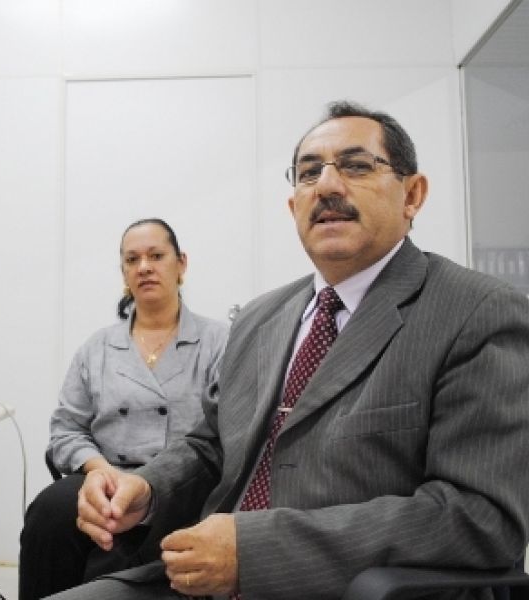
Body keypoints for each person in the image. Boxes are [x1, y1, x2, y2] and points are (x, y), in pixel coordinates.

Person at [48, 101, 529, 600]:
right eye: (308, 173)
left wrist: (256, 552)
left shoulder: (476, 313)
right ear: (293, 206)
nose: (327, 186)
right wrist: (148, 489)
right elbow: (213, 447)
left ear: (412, 194)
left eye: (356, 166)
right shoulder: (259, 319)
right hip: (201, 581)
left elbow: (481, 516)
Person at [18, 218, 228, 600]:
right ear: (124, 273)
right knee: (49, 513)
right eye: (132, 259)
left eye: (156, 256)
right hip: (106, 479)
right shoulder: (97, 348)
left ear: (181, 264)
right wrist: (101, 472)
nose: (144, 267)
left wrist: (147, 485)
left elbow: (226, 433)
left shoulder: (218, 342)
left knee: (116, 549)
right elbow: (66, 429)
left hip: (181, 488)